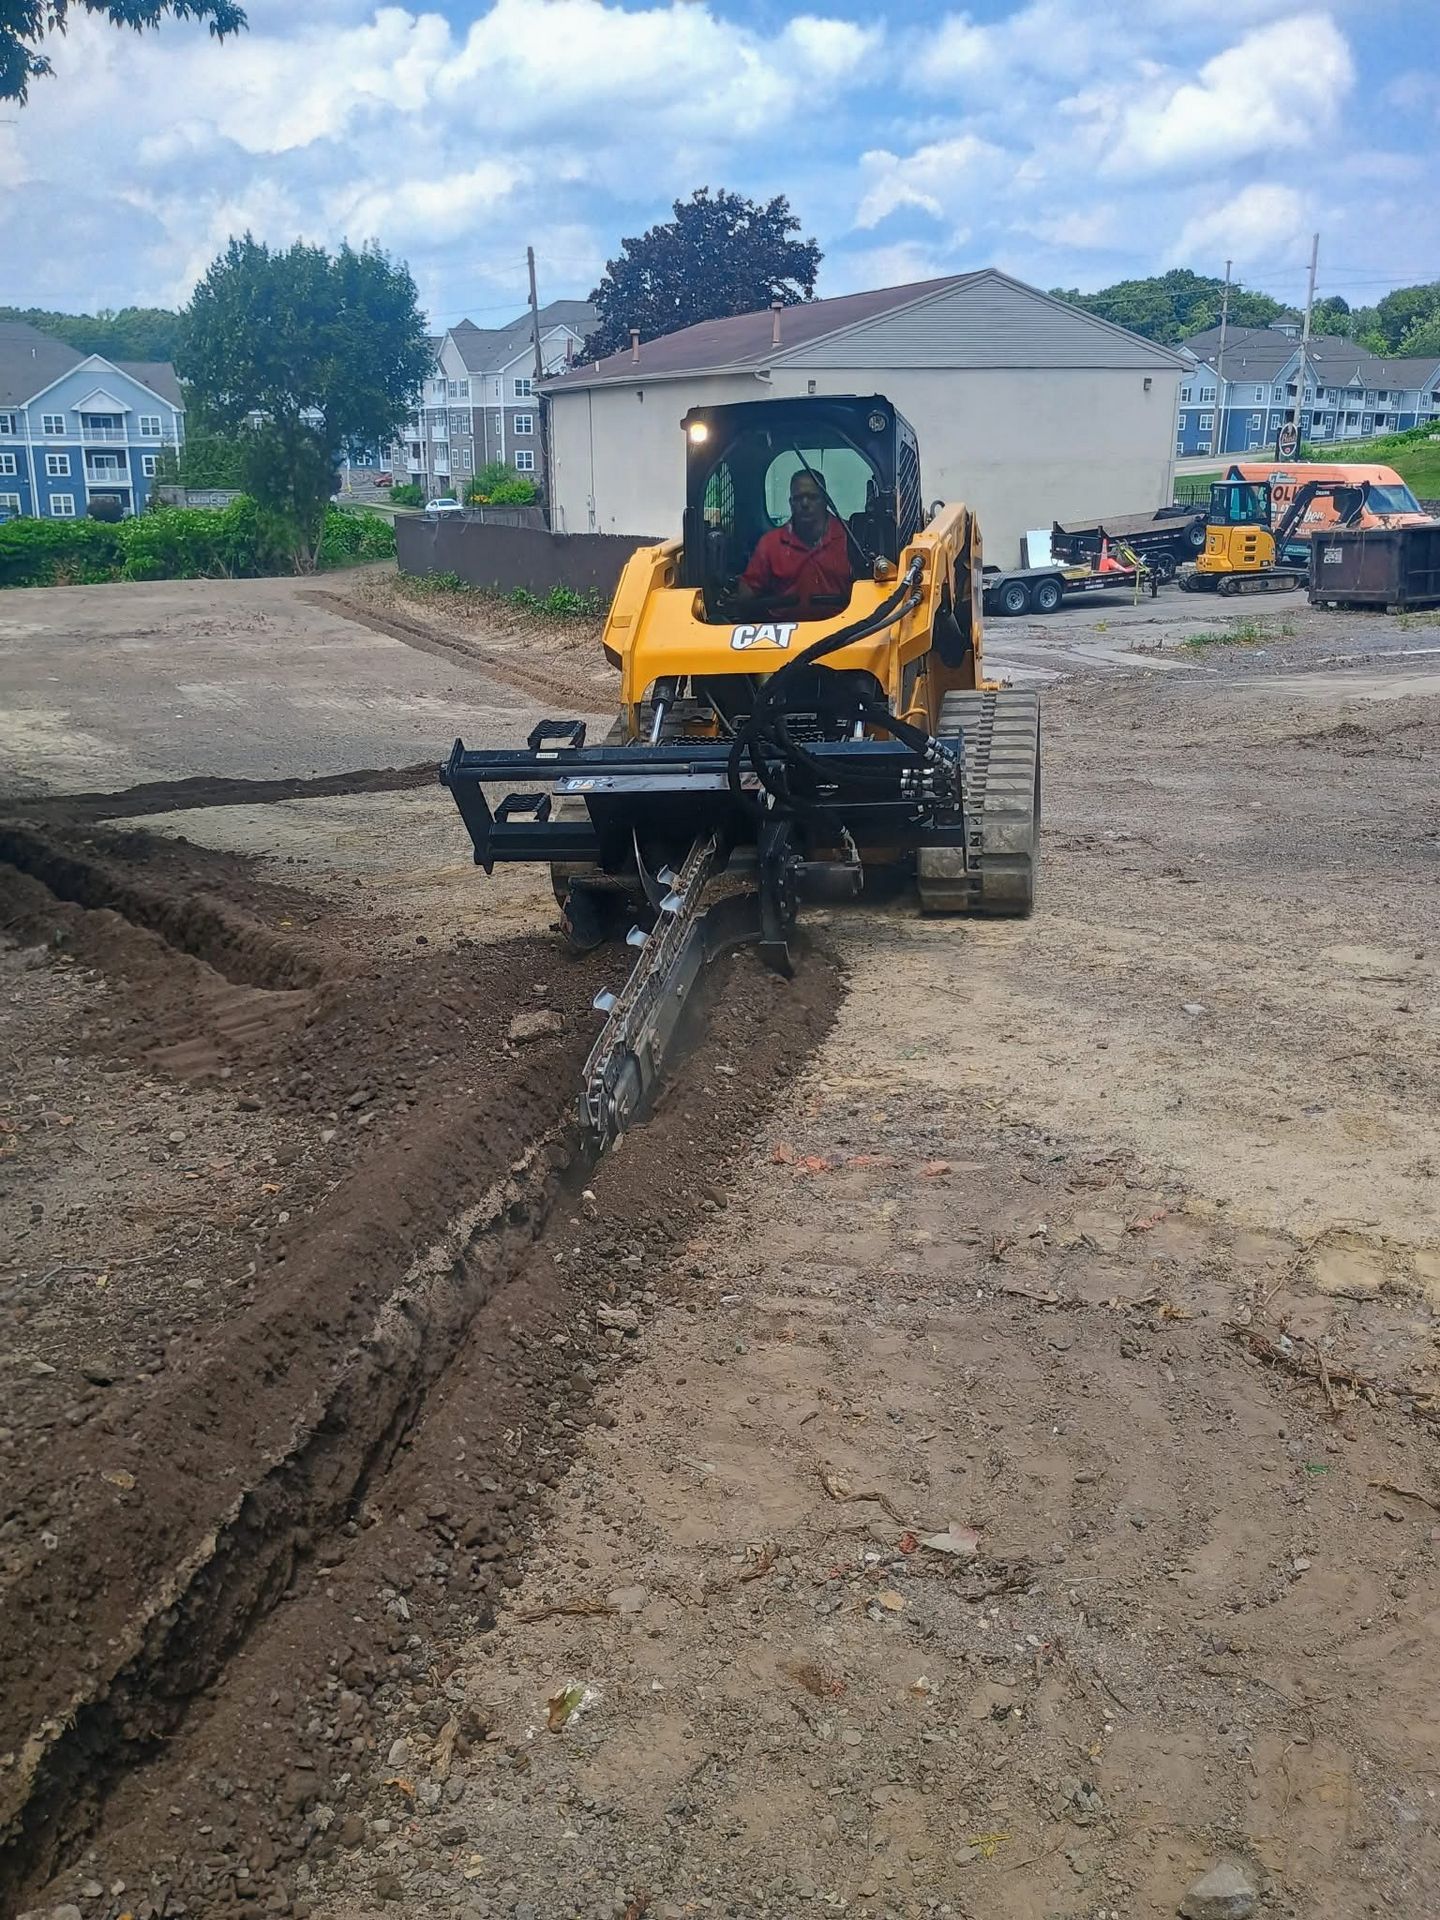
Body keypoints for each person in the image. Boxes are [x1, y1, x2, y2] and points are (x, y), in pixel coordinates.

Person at [736, 470, 851, 620]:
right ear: (791, 503)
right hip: (787, 636)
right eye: (798, 498)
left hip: (845, 633)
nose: (804, 504)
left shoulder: (850, 538)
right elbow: (745, 598)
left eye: (812, 497)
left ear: (826, 501)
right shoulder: (770, 544)